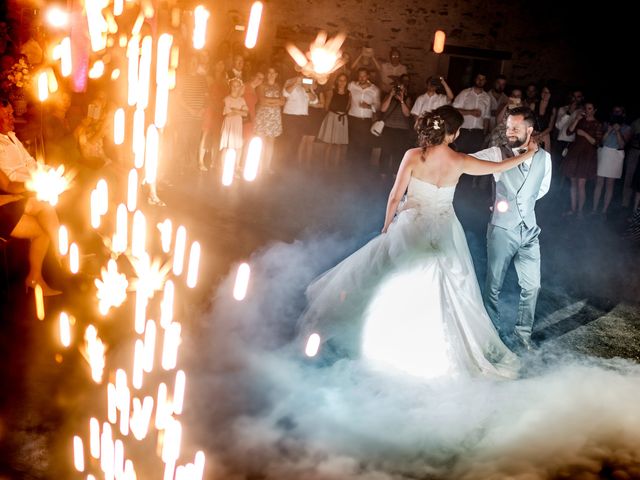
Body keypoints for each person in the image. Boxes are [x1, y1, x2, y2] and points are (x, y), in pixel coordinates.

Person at [298, 105, 538, 380]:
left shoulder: (413, 155)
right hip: (446, 228)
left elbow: (394, 195)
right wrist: (529, 154)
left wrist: (387, 226)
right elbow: (499, 167)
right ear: (453, 133)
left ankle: (391, 335)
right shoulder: (459, 160)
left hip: (412, 225)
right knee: (449, 283)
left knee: (393, 277)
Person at [471, 107, 552, 351]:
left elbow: (542, 188)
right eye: (507, 127)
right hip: (502, 229)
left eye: (515, 128)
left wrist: (522, 204)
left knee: (532, 286)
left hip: (529, 230)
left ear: (529, 129)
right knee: (493, 285)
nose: (509, 132)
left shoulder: (544, 157)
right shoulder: (496, 153)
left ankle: (522, 335)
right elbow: (468, 161)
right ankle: (492, 334)